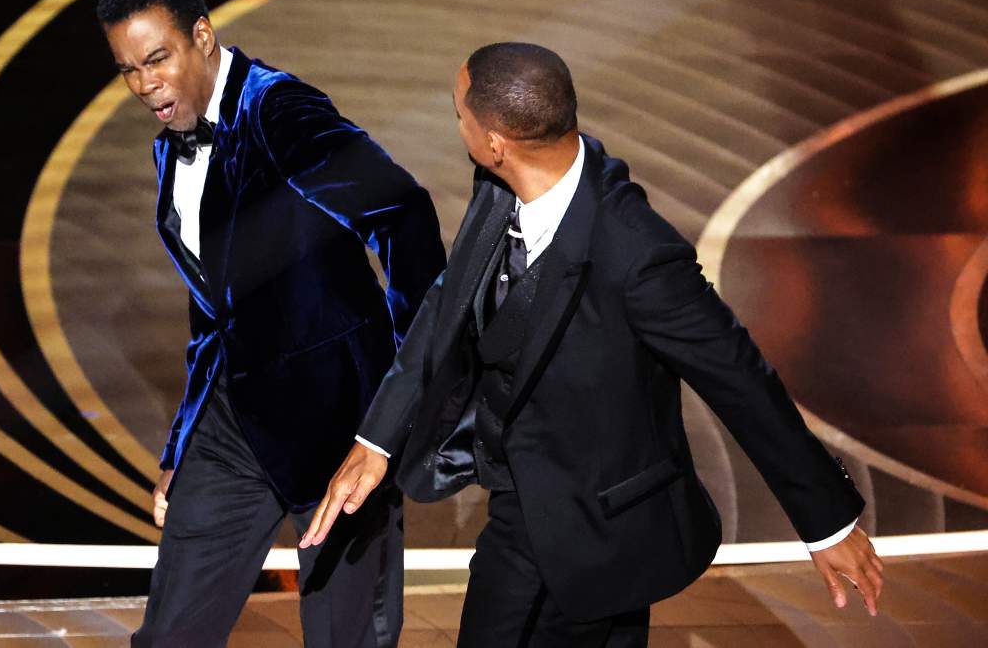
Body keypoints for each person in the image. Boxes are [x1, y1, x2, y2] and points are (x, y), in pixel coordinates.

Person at [301, 42, 885, 646]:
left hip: (606, 527)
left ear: (496, 141)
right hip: (521, 507)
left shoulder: (637, 254)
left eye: (459, 114)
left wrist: (828, 524)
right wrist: (378, 438)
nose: (458, 126)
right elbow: (452, 300)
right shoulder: (499, 185)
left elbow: (739, 377)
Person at [97, 0, 445, 648]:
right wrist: (181, 442)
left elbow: (404, 216)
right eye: (129, 70)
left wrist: (398, 404)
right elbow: (213, 309)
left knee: (346, 641)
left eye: (157, 59)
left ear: (201, 34)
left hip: (337, 429)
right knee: (170, 635)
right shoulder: (172, 145)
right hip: (234, 423)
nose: (145, 84)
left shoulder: (281, 112)